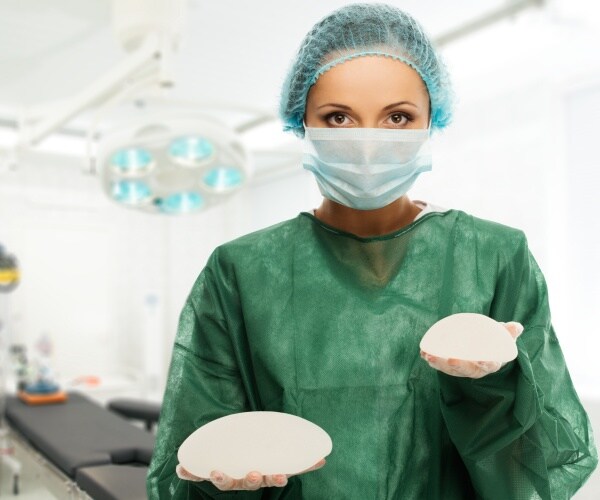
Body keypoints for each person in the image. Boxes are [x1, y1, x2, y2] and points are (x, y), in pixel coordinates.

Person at [147, 3, 598, 499]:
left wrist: (494, 386)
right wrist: (222, 480)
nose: (367, 144)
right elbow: (197, 440)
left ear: (432, 121)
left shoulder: (492, 256)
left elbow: (541, 458)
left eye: (398, 117)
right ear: (301, 122)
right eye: (338, 117)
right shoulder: (241, 270)